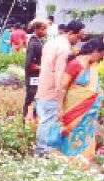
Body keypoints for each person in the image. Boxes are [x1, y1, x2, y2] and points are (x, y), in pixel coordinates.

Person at [34, 20, 85, 157]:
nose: (78, 41)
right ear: (71, 33)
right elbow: (59, 74)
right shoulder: (64, 48)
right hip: (52, 91)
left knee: (44, 120)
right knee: (48, 122)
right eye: (78, 37)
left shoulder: (52, 42)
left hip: (43, 88)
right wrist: (59, 99)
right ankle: (42, 152)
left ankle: (41, 150)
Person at [51, 38, 104, 160]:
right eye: (101, 54)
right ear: (96, 51)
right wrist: (59, 107)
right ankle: (67, 160)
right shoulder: (74, 64)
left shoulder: (92, 66)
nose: (101, 58)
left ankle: (83, 161)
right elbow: (62, 87)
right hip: (74, 110)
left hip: (89, 113)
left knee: (84, 135)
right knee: (70, 134)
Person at [23, 19, 47, 120]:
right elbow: (29, 63)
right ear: (36, 29)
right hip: (33, 76)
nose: (45, 31)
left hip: (36, 75)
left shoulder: (37, 41)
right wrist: (42, 68)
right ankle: (26, 118)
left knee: (35, 97)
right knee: (31, 96)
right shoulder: (34, 43)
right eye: (43, 29)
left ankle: (33, 118)